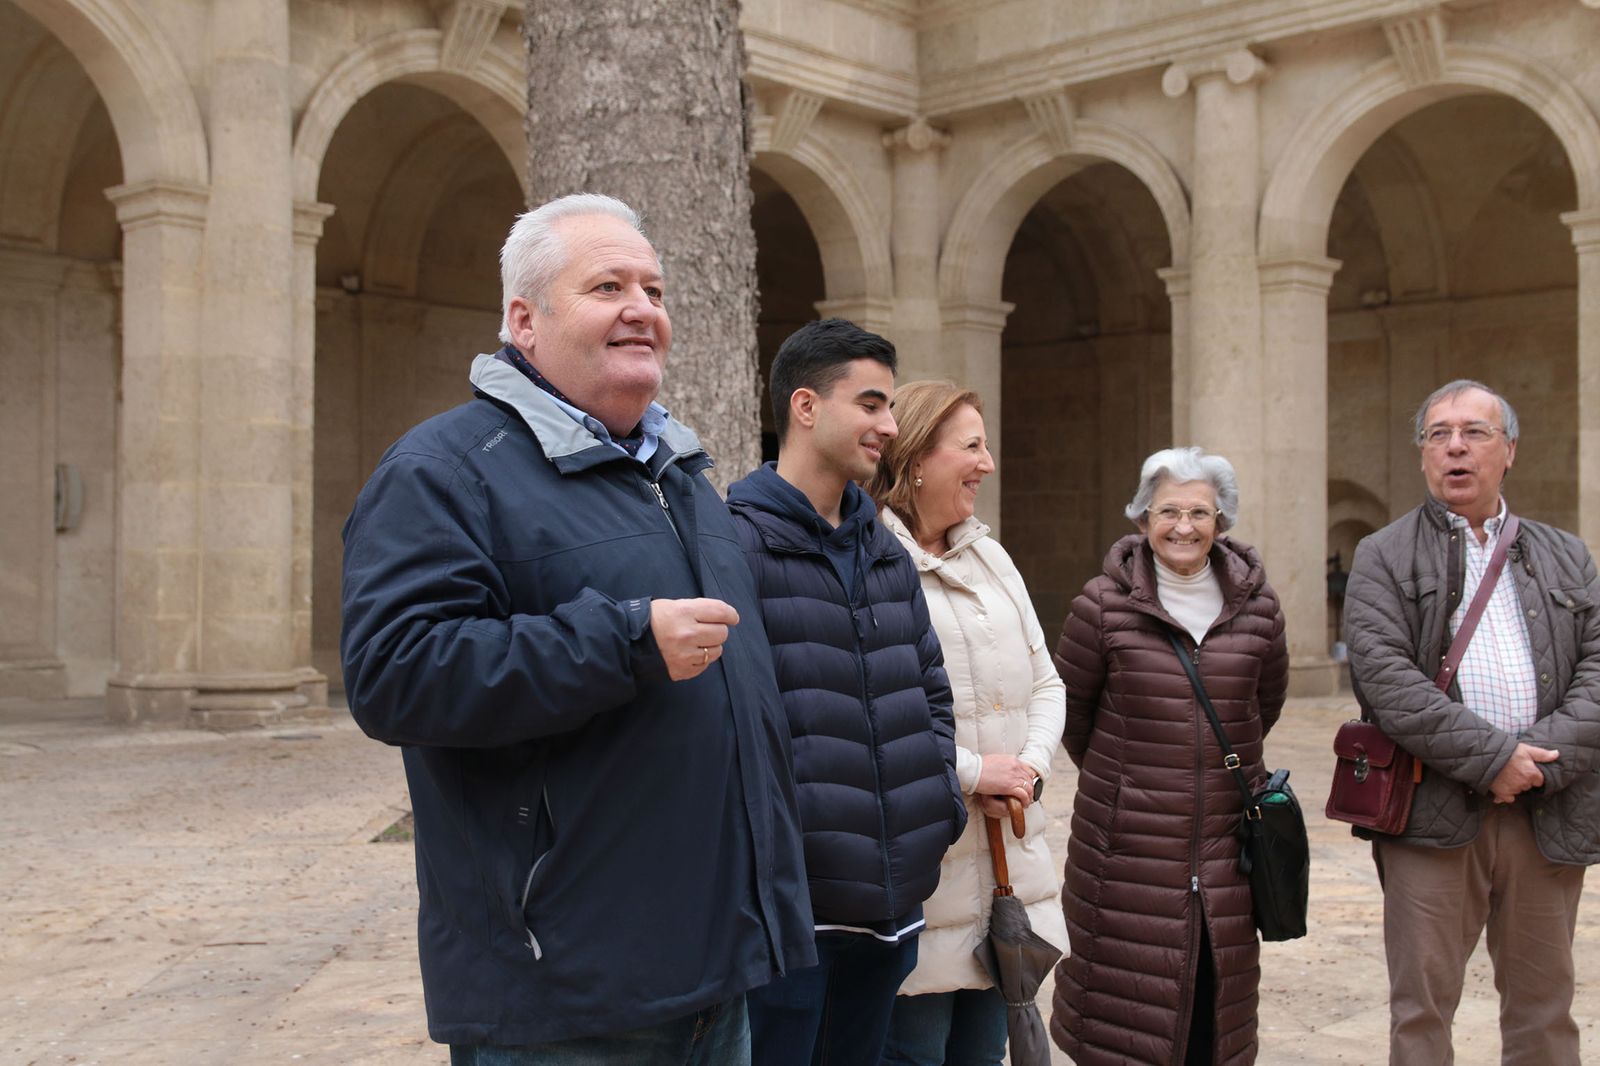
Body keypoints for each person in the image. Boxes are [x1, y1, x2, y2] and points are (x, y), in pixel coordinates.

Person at [339, 193, 815, 1064]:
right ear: (525, 319)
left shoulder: (685, 476)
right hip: (567, 995)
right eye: (607, 285)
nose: (643, 308)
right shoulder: (442, 472)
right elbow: (392, 675)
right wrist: (623, 642)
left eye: (656, 290)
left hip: (722, 971)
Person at [726, 319, 967, 1066]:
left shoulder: (884, 550)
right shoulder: (734, 544)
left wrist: (936, 815)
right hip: (790, 921)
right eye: (870, 404)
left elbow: (931, 692)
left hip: (892, 911)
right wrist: (778, 862)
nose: (889, 427)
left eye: (889, 408)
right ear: (805, 406)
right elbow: (724, 726)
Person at [1342, 379, 1600, 1066]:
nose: (1455, 447)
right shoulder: (1383, 555)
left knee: (1545, 1012)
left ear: (1508, 450)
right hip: (1432, 811)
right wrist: (1495, 760)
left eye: (1475, 432)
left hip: (1546, 813)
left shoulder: (1567, 555)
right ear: (1423, 454)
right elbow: (1386, 682)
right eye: (1439, 434)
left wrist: (1541, 763)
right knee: (1422, 1012)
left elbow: (1599, 672)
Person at [1052, 446, 1289, 1066]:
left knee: (1213, 1015)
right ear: (1142, 518)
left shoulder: (1259, 610)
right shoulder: (1101, 606)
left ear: (1221, 522)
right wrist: (1132, 783)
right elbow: (1070, 714)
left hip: (1224, 852)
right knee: (1120, 1021)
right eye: (1168, 511)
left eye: (1199, 513)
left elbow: (1262, 708)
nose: (1183, 527)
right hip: (1124, 854)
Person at [863, 381, 1070, 1066]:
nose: (988, 463)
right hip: (924, 872)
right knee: (913, 1053)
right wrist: (975, 773)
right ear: (919, 457)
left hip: (1005, 871)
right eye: (973, 446)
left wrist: (1030, 769)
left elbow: (1047, 681)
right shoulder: (864, 564)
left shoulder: (992, 559)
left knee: (984, 1054)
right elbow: (867, 713)